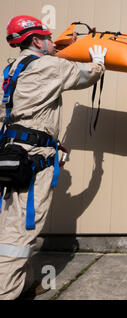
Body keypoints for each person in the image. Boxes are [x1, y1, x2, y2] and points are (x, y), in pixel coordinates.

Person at [0, 15, 107, 300]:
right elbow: (86, 76)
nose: (52, 43)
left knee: (11, 223)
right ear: (36, 40)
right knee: (19, 233)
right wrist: (98, 62)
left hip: (12, 152)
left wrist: (51, 142)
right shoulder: (50, 66)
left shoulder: (10, 70)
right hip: (32, 160)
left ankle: (23, 285)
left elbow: (25, 114)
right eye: (48, 38)